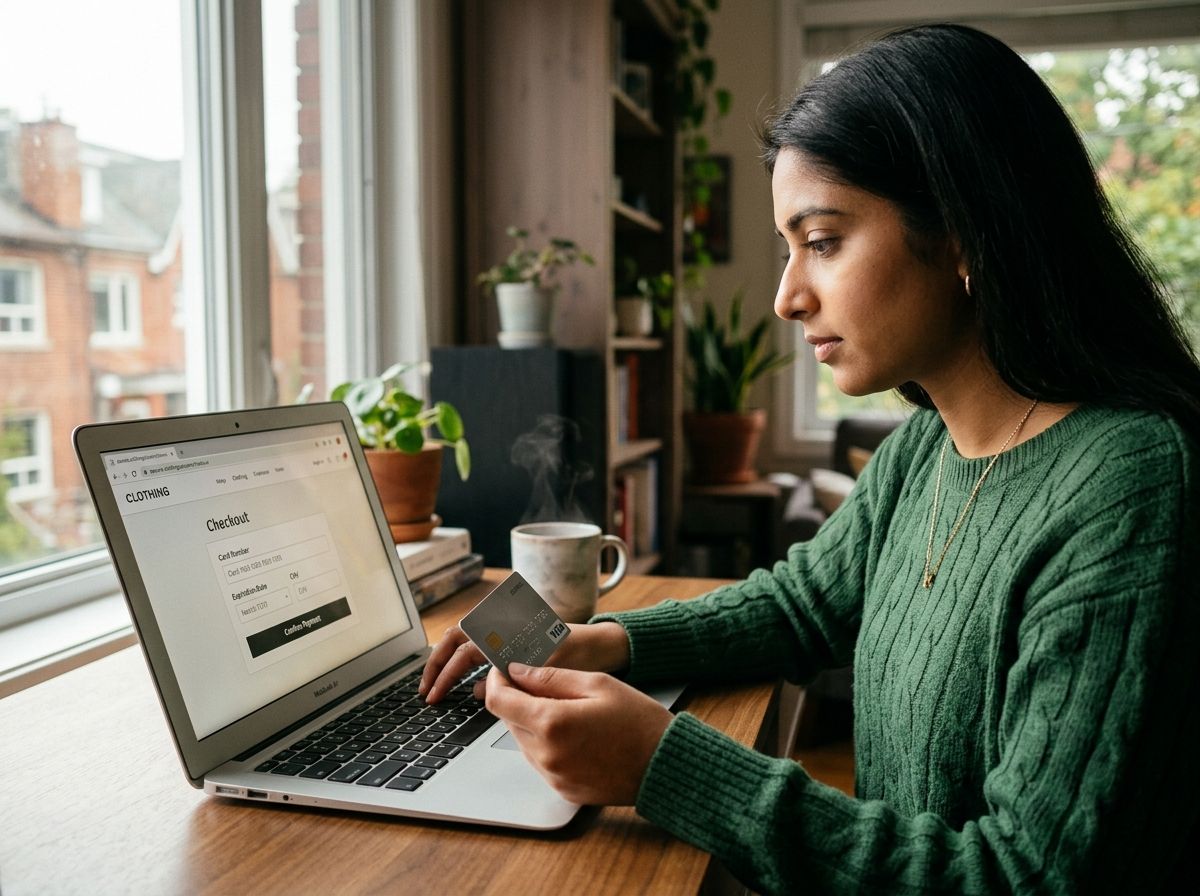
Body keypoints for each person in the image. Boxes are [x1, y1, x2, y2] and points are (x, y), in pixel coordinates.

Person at [421, 23, 1200, 894]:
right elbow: (800, 608)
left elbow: (1024, 877)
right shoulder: (926, 448)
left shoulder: (1131, 488)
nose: (790, 297)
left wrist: (665, 766)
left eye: (822, 241)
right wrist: (598, 641)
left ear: (963, 234)